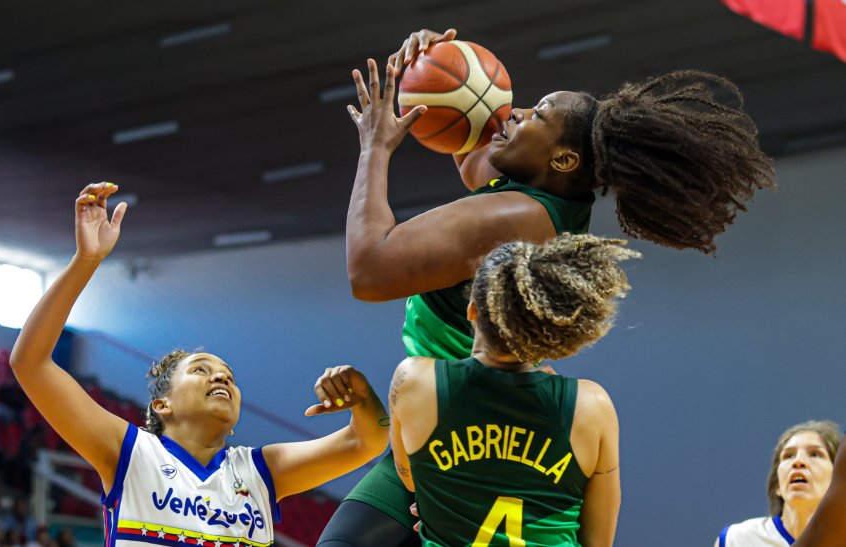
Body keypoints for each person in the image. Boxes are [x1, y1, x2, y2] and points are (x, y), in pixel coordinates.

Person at [321, 27, 777, 546]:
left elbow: (368, 271)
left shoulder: (516, 216)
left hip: (457, 414)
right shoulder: (543, 194)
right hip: (463, 410)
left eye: (535, 114)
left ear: (562, 159)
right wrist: (446, 66)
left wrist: (375, 146)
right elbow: (474, 150)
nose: (513, 115)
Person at [9, 183, 389, 546]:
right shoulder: (131, 452)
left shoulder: (260, 470)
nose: (222, 376)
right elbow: (30, 363)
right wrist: (85, 261)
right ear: (162, 405)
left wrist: (362, 397)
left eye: (229, 375)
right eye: (201, 370)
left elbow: (366, 440)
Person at [389, 233, 633, 546]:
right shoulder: (590, 405)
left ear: (473, 311)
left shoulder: (413, 381)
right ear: (550, 325)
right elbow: (598, 541)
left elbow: (410, 479)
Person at [716, 420, 842, 546]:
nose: (798, 461)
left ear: (837, 480)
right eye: (789, 455)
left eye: (815, 454)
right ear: (778, 486)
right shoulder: (736, 539)